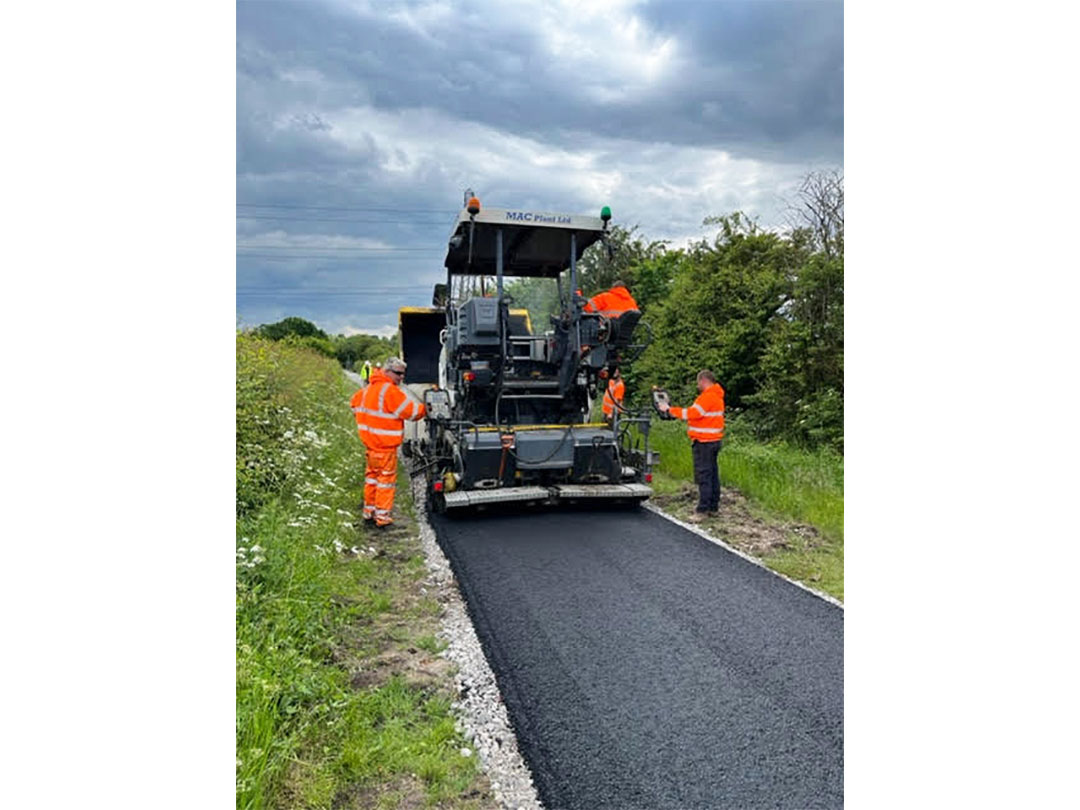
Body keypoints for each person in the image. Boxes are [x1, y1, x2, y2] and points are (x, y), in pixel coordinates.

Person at [349, 357, 426, 528]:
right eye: (398, 373)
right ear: (387, 371)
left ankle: (369, 512)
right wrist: (427, 408)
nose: (401, 377)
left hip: (371, 447)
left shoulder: (368, 389)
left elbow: (354, 405)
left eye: (403, 374)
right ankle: (382, 518)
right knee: (385, 482)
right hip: (385, 447)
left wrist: (367, 421)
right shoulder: (390, 391)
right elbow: (411, 412)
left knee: (372, 479)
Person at [657, 370, 725, 522]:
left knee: (704, 475)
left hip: (704, 441)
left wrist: (669, 410)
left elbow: (692, 413)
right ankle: (713, 507)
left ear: (703, 381)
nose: (697, 385)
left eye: (698, 382)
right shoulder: (717, 395)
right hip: (713, 440)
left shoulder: (707, 397)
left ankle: (702, 510)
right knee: (713, 474)